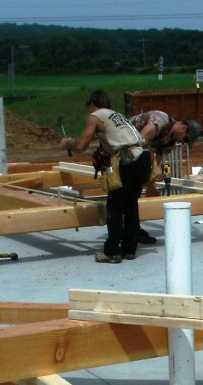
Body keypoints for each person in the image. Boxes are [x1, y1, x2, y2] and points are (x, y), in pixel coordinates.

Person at [61, 90, 152, 263]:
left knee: (115, 207)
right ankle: (129, 249)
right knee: (131, 204)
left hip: (128, 159)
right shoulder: (117, 116)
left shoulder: (95, 116)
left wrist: (68, 143)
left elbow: (81, 146)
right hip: (143, 157)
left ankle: (112, 252)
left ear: (93, 104)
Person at [128, 110, 202, 243]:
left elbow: (157, 158)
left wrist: (150, 182)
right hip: (125, 148)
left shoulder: (170, 141)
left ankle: (132, 230)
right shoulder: (160, 120)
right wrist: (153, 169)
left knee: (134, 195)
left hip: (135, 159)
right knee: (125, 194)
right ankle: (126, 232)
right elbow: (139, 143)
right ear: (183, 128)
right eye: (185, 139)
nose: (183, 143)